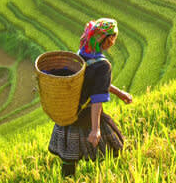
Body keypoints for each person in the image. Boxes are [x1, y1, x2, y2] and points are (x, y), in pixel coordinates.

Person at [48, 18, 133, 177]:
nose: (114, 42)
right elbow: (97, 98)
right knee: (113, 147)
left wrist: (120, 94)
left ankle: (68, 179)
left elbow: (97, 83)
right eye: (113, 38)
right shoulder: (103, 65)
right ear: (106, 39)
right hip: (86, 114)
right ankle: (108, 177)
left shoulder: (81, 54)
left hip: (69, 110)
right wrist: (96, 129)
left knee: (69, 154)